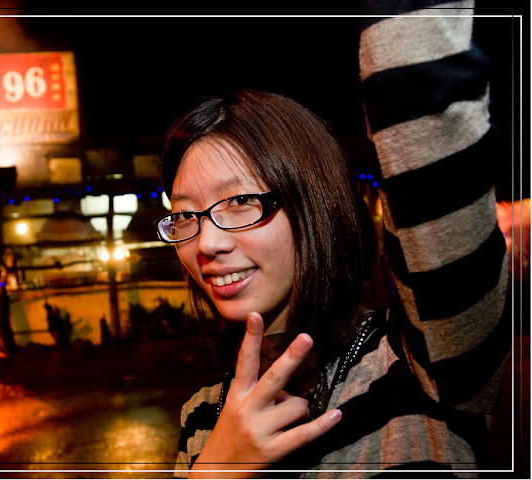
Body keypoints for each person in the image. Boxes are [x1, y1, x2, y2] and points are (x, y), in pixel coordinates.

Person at [156, 2, 510, 478]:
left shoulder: (422, 361)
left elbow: (422, 105)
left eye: (239, 201)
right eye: (185, 214)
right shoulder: (201, 417)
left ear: (314, 204)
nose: (206, 244)